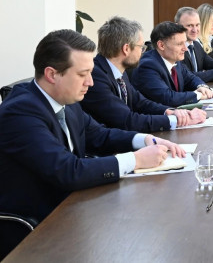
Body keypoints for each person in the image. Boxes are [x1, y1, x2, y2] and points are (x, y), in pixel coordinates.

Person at [0, 29, 185, 250]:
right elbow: (67, 171)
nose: (90, 82)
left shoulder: (65, 99)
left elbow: (99, 135)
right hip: (37, 229)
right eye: (82, 74)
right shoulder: (20, 112)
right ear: (52, 74)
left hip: (75, 206)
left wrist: (144, 140)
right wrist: (136, 160)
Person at [80, 16, 207, 133]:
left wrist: (171, 112)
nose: (143, 52)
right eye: (141, 47)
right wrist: (176, 120)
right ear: (126, 49)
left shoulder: (118, 71)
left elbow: (139, 102)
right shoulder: (96, 77)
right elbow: (127, 120)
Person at [130, 21, 213, 107]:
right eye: (179, 44)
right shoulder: (147, 66)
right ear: (161, 45)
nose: (185, 49)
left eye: (185, 43)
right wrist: (198, 95)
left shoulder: (174, 60)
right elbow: (168, 98)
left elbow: (190, 78)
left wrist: (201, 86)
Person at [174, 7, 213, 82]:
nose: (195, 30)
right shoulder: (175, 49)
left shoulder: (196, 45)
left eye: (197, 25)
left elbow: (210, 63)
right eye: (189, 26)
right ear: (177, 27)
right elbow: (188, 77)